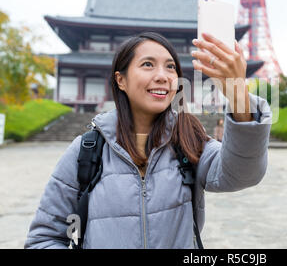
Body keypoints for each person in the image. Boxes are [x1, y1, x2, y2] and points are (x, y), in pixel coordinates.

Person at [24, 31, 272, 249]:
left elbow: (242, 174)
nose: (163, 76)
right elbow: (44, 238)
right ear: (120, 80)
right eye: (148, 64)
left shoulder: (189, 141)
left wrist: (239, 93)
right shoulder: (86, 151)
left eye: (171, 67)